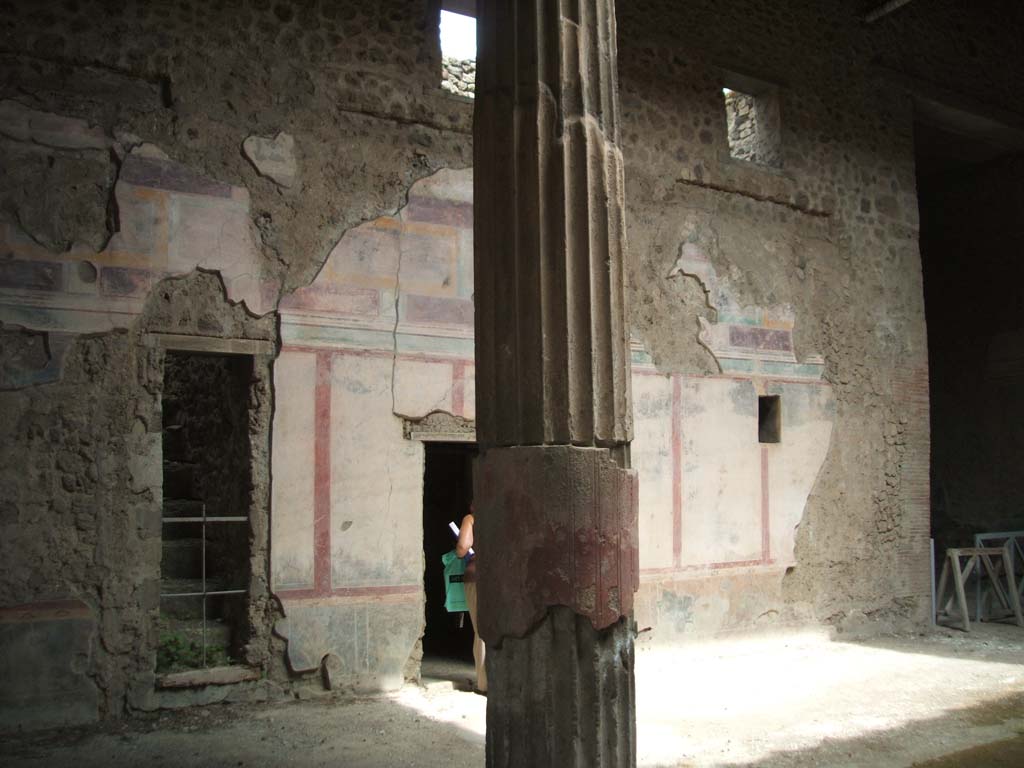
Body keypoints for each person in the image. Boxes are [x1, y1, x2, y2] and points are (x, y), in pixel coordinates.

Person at [456, 505, 486, 694]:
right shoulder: (502, 516)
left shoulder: (471, 519)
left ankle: (484, 684)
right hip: (501, 578)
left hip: (477, 576)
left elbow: (462, 547)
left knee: (481, 630)